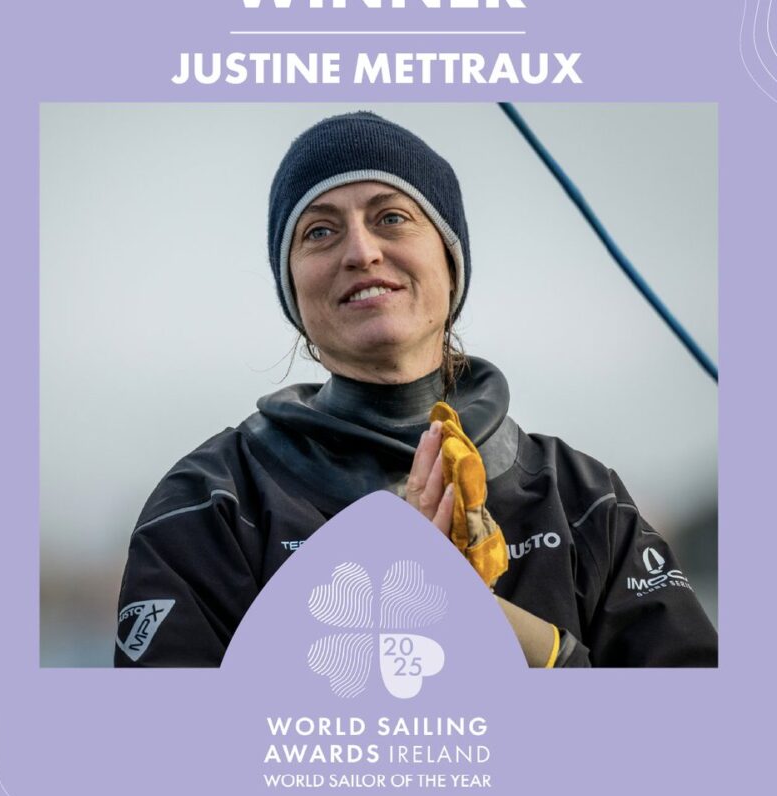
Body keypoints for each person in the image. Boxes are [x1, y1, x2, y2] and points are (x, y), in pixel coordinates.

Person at [114, 112, 718, 668]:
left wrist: (524, 641)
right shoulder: (209, 504)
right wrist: (387, 612)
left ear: (450, 262)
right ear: (293, 289)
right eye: (319, 231)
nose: (361, 252)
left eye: (392, 218)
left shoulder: (582, 497)